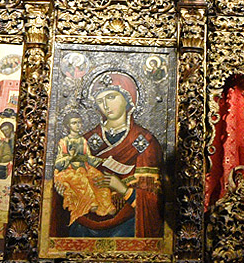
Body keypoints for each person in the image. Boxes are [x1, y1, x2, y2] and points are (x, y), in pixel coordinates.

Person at [55, 73, 164, 238]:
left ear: (129, 99)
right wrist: (63, 188)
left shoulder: (145, 142)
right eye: (100, 101)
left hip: (127, 224)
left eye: (112, 97)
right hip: (84, 224)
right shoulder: (87, 140)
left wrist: (122, 188)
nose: (106, 105)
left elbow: (153, 200)